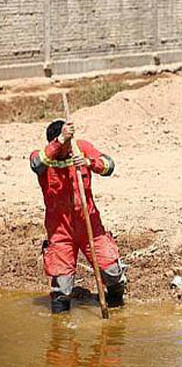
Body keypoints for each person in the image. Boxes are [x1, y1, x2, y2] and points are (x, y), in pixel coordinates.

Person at [30, 119, 127, 313]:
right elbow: (36, 164)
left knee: (112, 273)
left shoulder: (81, 148)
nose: (66, 148)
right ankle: (61, 328)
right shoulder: (43, 156)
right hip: (60, 233)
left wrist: (89, 163)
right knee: (62, 289)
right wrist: (60, 141)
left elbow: (109, 165)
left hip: (91, 226)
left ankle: (115, 305)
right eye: (62, 142)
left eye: (68, 142)